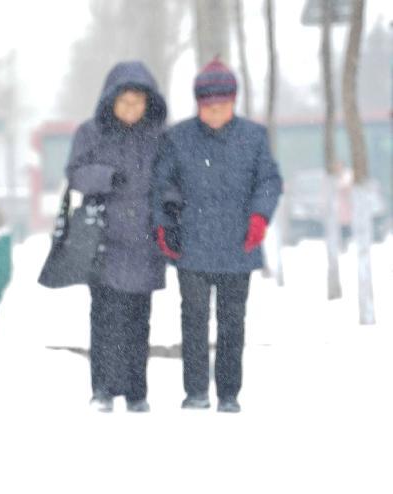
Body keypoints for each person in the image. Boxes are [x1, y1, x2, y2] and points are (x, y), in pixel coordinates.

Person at [151, 58, 283, 413]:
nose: (214, 112)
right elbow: (161, 185)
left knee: (232, 322)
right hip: (191, 245)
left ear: (234, 101)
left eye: (222, 105)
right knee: (193, 320)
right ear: (198, 104)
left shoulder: (253, 137)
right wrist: (165, 225)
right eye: (207, 106)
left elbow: (268, 180)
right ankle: (195, 391)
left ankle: (228, 393)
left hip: (238, 245)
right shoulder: (178, 138)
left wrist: (259, 216)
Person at [65, 61, 169, 413]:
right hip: (104, 240)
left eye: (137, 102)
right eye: (124, 102)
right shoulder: (91, 133)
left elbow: (171, 181)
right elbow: (76, 173)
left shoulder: (158, 138)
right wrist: (108, 178)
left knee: (139, 320)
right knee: (105, 317)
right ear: (111, 101)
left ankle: (137, 392)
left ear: (147, 103)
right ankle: (103, 388)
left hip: (144, 242)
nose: (130, 109)